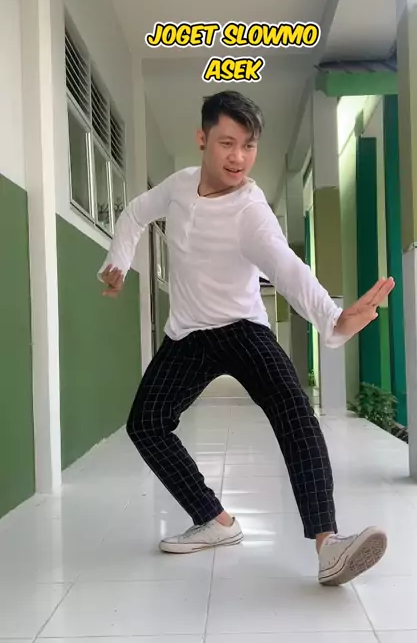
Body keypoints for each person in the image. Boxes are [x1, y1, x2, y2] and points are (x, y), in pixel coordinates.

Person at [98, 89, 394, 586]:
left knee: (293, 412)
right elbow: (134, 214)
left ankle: (329, 545)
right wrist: (118, 262)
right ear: (202, 139)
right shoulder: (179, 186)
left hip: (242, 329)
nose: (239, 157)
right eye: (227, 143)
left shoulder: (251, 210)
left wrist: (332, 318)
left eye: (249, 146)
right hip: (187, 333)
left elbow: (286, 265)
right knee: (146, 424)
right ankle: (214, 521)